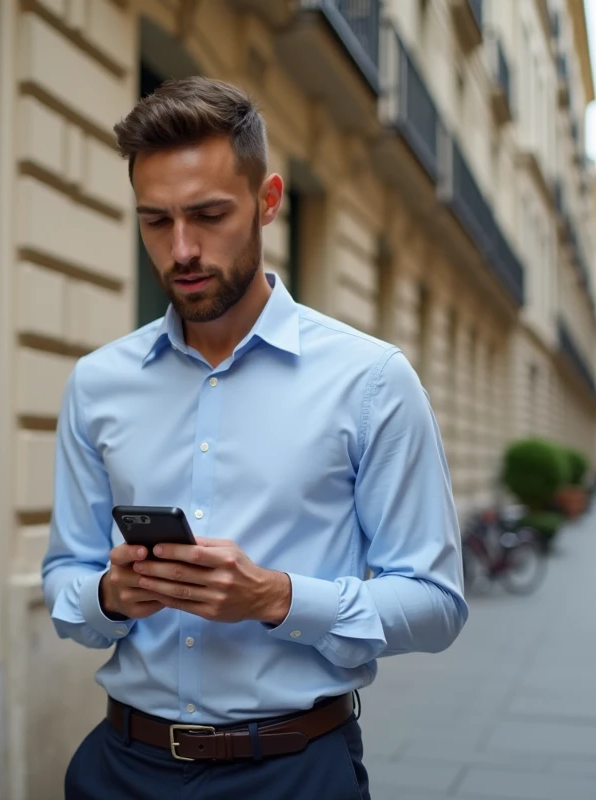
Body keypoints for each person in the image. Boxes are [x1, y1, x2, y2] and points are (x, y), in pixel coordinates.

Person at [41, 76, 468, 800]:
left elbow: (435, 602)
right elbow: (63, 577)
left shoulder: (371, 381)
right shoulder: (98, 383)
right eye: (156, 221)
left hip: (293, 772)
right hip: (121, 767)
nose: (181, 249)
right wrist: (110, 594)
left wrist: (276, 597)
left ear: (268, 202)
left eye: (209, 215)